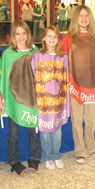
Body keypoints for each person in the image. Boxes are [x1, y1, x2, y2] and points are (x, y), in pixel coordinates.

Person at [62, 5, 95, 164]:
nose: (83, 19)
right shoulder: (68, 37)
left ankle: (90, 146)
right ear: (75, 18)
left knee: (93, 118)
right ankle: (80, 150)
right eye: (80, 16)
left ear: (90, 18)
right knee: (77, 119)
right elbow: (64, 62)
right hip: (76, 84)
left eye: (86, 16)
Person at [0, 20, 41, 175]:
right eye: (18, 33)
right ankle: (13, 161)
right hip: (14, 100)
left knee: (34, 131)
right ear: (13, 35)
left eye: (24, 33)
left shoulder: (35, 51)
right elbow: (2, 78)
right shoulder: (7, 54)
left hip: (31, 99)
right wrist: (1, 98)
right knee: (13, 133)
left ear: (28, 34)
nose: (21, 36)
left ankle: (35, 157)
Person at [30, 25, 70, 170]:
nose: (52, 39)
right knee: (45, 131)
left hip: (58, 101)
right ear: (44, 39)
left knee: (57, 130)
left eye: (55, 37)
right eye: (49, 36)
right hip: (43, 101)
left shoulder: (63, 56)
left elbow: (66, 79)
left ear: (58, 39)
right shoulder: (37, 56)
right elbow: (33, 78)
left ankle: (56, 155)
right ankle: (47, 157)